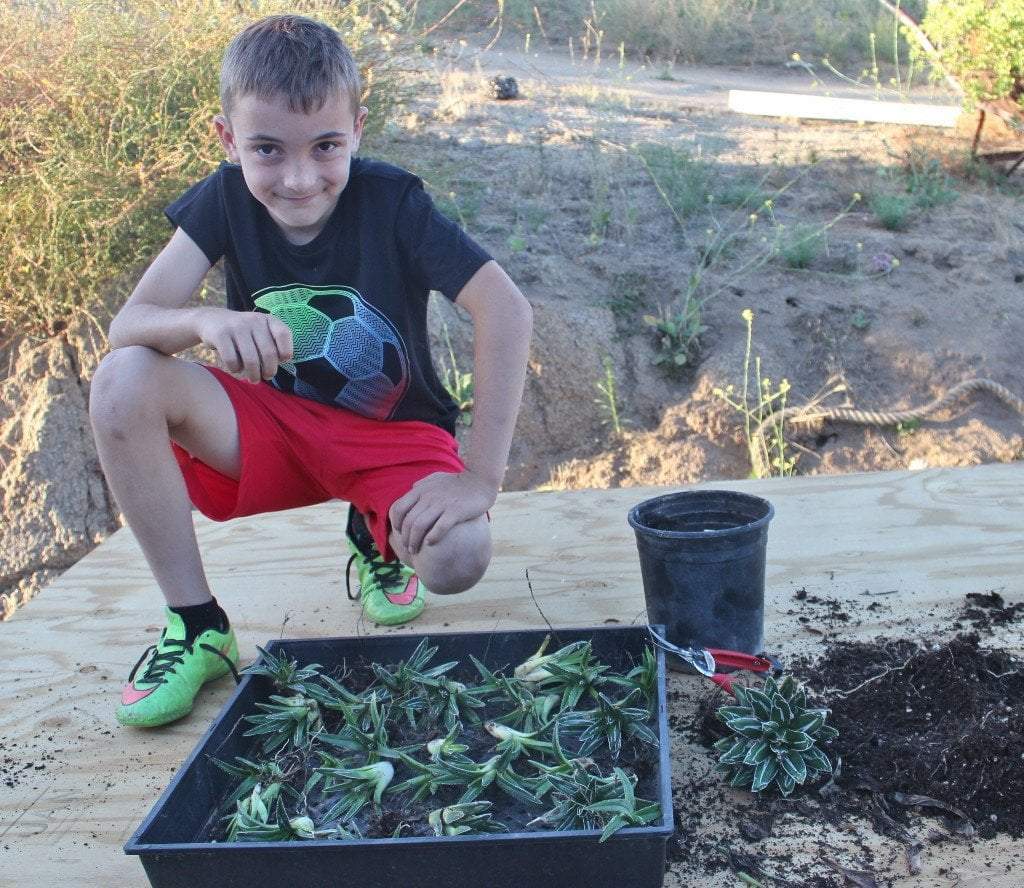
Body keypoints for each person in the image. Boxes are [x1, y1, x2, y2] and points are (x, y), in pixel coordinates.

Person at [89, 14, 532, 729]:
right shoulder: (225, 199)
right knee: (123, 380)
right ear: (228, 140)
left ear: (358, 127)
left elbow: (505, 310)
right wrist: (206, 321)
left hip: (393, 434)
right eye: (267, 149)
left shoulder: (393, 203)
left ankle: (376, 529)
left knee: (459, 557)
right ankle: (198, 626)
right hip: (272, 427)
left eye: (326, 146)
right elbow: (128, 326)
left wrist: (480, 478)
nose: (299, 178)